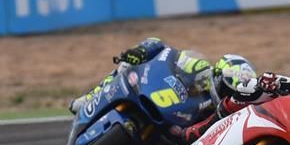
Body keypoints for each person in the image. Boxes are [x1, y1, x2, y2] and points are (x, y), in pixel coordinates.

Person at [68, 37, 214, 114]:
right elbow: (154, 42)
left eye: (198, 88)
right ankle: (92, 97)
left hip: (169, 116)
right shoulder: (174, 58)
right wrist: (139, 52)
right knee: (126, 66)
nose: (195, 89)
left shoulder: (207, 101)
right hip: (149, 85)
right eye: (194, 84)